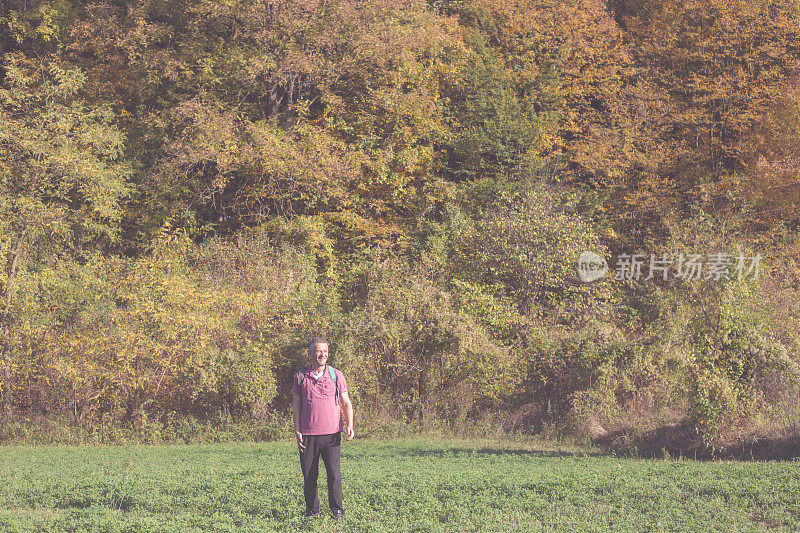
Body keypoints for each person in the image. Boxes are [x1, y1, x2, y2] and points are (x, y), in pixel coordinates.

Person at [292, 337, 354, 521]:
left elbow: (346, 402)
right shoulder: (301, 376)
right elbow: (296, 405)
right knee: (310, 476)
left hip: (332, 435)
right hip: (308, 435)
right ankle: (312, 512)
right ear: (311, 353)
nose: (322, 354)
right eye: (319, 351)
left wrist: (349, 424)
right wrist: (297, 431)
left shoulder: (336, 375)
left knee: (334, 475)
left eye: (325, 351)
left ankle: (337, 511)